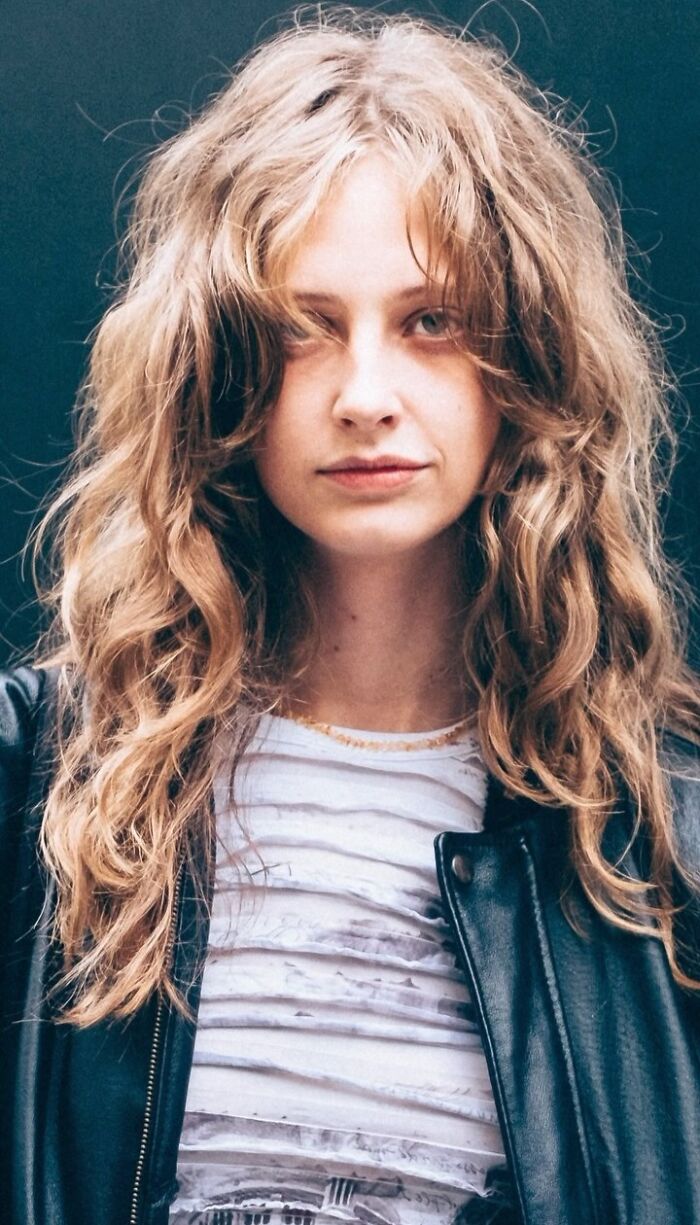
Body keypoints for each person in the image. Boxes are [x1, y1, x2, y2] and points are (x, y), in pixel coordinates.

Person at [1, 7, 699, 1225]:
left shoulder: (661, 833)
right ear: (215, 366)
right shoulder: (38, 784)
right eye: (298, 331)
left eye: (431, 321)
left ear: (524, 362)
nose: (365, 395)